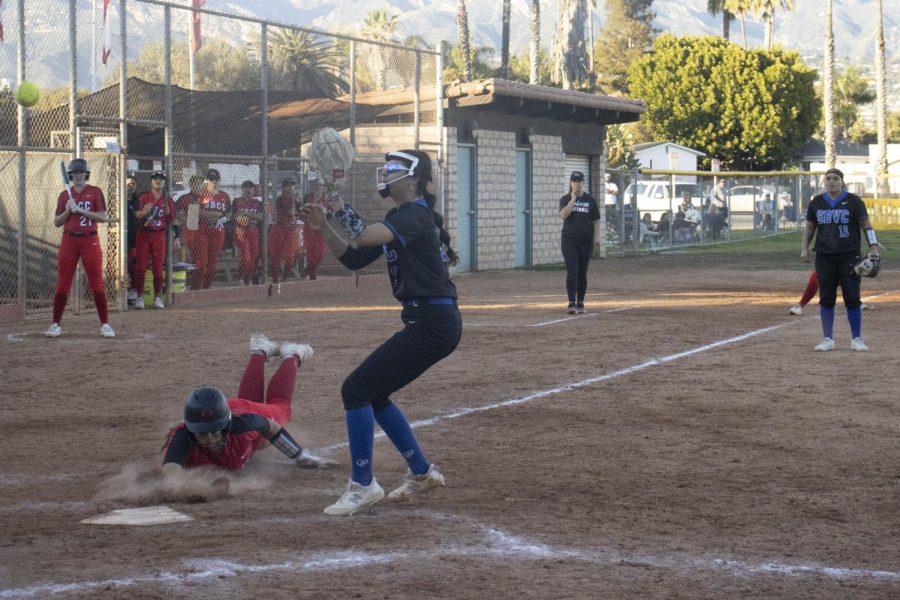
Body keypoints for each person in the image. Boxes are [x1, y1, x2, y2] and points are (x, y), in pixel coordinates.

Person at [298, 149, 461, 517]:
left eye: (393, 169)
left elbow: (365, 235)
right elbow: (355, 257)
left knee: (356, 389)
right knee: (373, 393)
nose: (385, 173)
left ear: (415, 178)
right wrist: (325, 227)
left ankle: (363, 484)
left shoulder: (413, 214)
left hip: (433, 323)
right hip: (430, 322)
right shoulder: (401, 216)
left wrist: (338, 203)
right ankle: (421, 472)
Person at [161, 334, 334, 472]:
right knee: (250, 402)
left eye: (214, 432)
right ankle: (259, 350)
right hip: (231, 409)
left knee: (281, 407)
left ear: (226, 426)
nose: (209, 439)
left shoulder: (245, 424)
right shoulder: (183, 436)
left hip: (245, 411)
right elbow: (170, 472)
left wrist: (299, 455)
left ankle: (293, 354)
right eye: (202, 434)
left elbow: (272, 428)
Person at [801, 167, 879, 352]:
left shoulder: (853, 201)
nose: (831, 181)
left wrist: (873, 246)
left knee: (852, 297)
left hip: (849, 255)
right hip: (824, 256)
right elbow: (810, 227)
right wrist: (804, 248)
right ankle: (828, 338)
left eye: (835, 178)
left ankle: (856, 339)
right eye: (828, 178)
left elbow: (866, 225)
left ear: (842, 181)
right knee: (826, 298)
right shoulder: (817, 202)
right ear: (824, 181)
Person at [45, 158, 115, 338]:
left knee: (96, 284)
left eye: (81, 173)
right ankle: (55, 324)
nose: (78, 176)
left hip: (90, 240)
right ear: (71, 175)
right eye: (75, 174)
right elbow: (57, 222)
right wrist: (69, 209)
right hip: (69, 241)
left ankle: (105, 324)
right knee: (62, 284)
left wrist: (80, 210)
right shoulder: (64, 195)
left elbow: (102, 217)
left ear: (86, 174)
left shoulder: (95, 192)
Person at [559, 171, 601, 314]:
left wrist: (597, 236)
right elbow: (564, 215)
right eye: (574, 181)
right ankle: (571, 303)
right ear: (571, 183)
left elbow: (595, 220)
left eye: (579, 181)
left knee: (582, 272)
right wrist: (572, 200)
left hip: (586, 240)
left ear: (583, 182)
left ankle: (581, 303)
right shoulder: (565, 199)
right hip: (569, 240)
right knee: (573, 270)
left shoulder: (590, 200)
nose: (577, 183)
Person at [133, 171, 176, 309]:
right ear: (151, 181)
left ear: (164, 182)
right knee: (141, 267)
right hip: (144, 234)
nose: (158, 181)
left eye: (161, 179)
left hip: (159, 235)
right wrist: (144, 213)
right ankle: (139, 296)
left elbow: (173, 219)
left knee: (158, 268)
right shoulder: (144, 196)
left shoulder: (167, 199)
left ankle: (158, 296)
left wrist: (176, 235)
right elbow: (136, 215)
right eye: (155, 179)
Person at [193, 168, 231, 290]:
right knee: (202, 264)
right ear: (207, 180)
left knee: (212, 264)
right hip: (202, 230)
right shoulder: (201, 194)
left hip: (218, 230)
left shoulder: (224, 196)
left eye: (216, 179)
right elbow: (195, 212)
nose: (214, 182)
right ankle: (197, 288)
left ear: (219, 180)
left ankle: (206, 289)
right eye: (211, 179)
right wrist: (216, 214)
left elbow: (229, 214)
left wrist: (222, 219)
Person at [788, 270, 871, 315]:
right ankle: (799, 305)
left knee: (846, 280)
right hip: (827, 256)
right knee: (814, 280)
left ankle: (856, 303)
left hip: (845, 256)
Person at [268, 177, 301, 287]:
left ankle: (284, 279)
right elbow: (290, 212)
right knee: (275, 258)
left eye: (292, 185)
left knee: (290, 258)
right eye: (287, 185)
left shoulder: (296, 199)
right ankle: (275, 281)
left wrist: (297, 202)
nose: (290, 187)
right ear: (284, 187)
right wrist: (293, 200)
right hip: (279, 230)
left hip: (290, 231)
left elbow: (300, 212)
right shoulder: (280, 199)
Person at [232, 180, 264, 286]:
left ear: (253, 190)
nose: (248, 190)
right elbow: (236, 216)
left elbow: (260, 217)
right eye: (245, 187)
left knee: (254, 256)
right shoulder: (237, 201)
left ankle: (247, 279)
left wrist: (245, 213)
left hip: (253, 230)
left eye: (250, 188)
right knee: (246, 256)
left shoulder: (257, 203)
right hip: (241, 230)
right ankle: (240, 277)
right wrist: (251, 216)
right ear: (242, 189)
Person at [125, 174, 140, 304]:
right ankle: (122, 292)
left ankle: (132, 291)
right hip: (122, 238)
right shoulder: (120, 200)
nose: (131, 187)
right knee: (123, 265)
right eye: (128, 184)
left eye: (133, 184)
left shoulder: (138, 201)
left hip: (134, 238)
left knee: (132, 265)